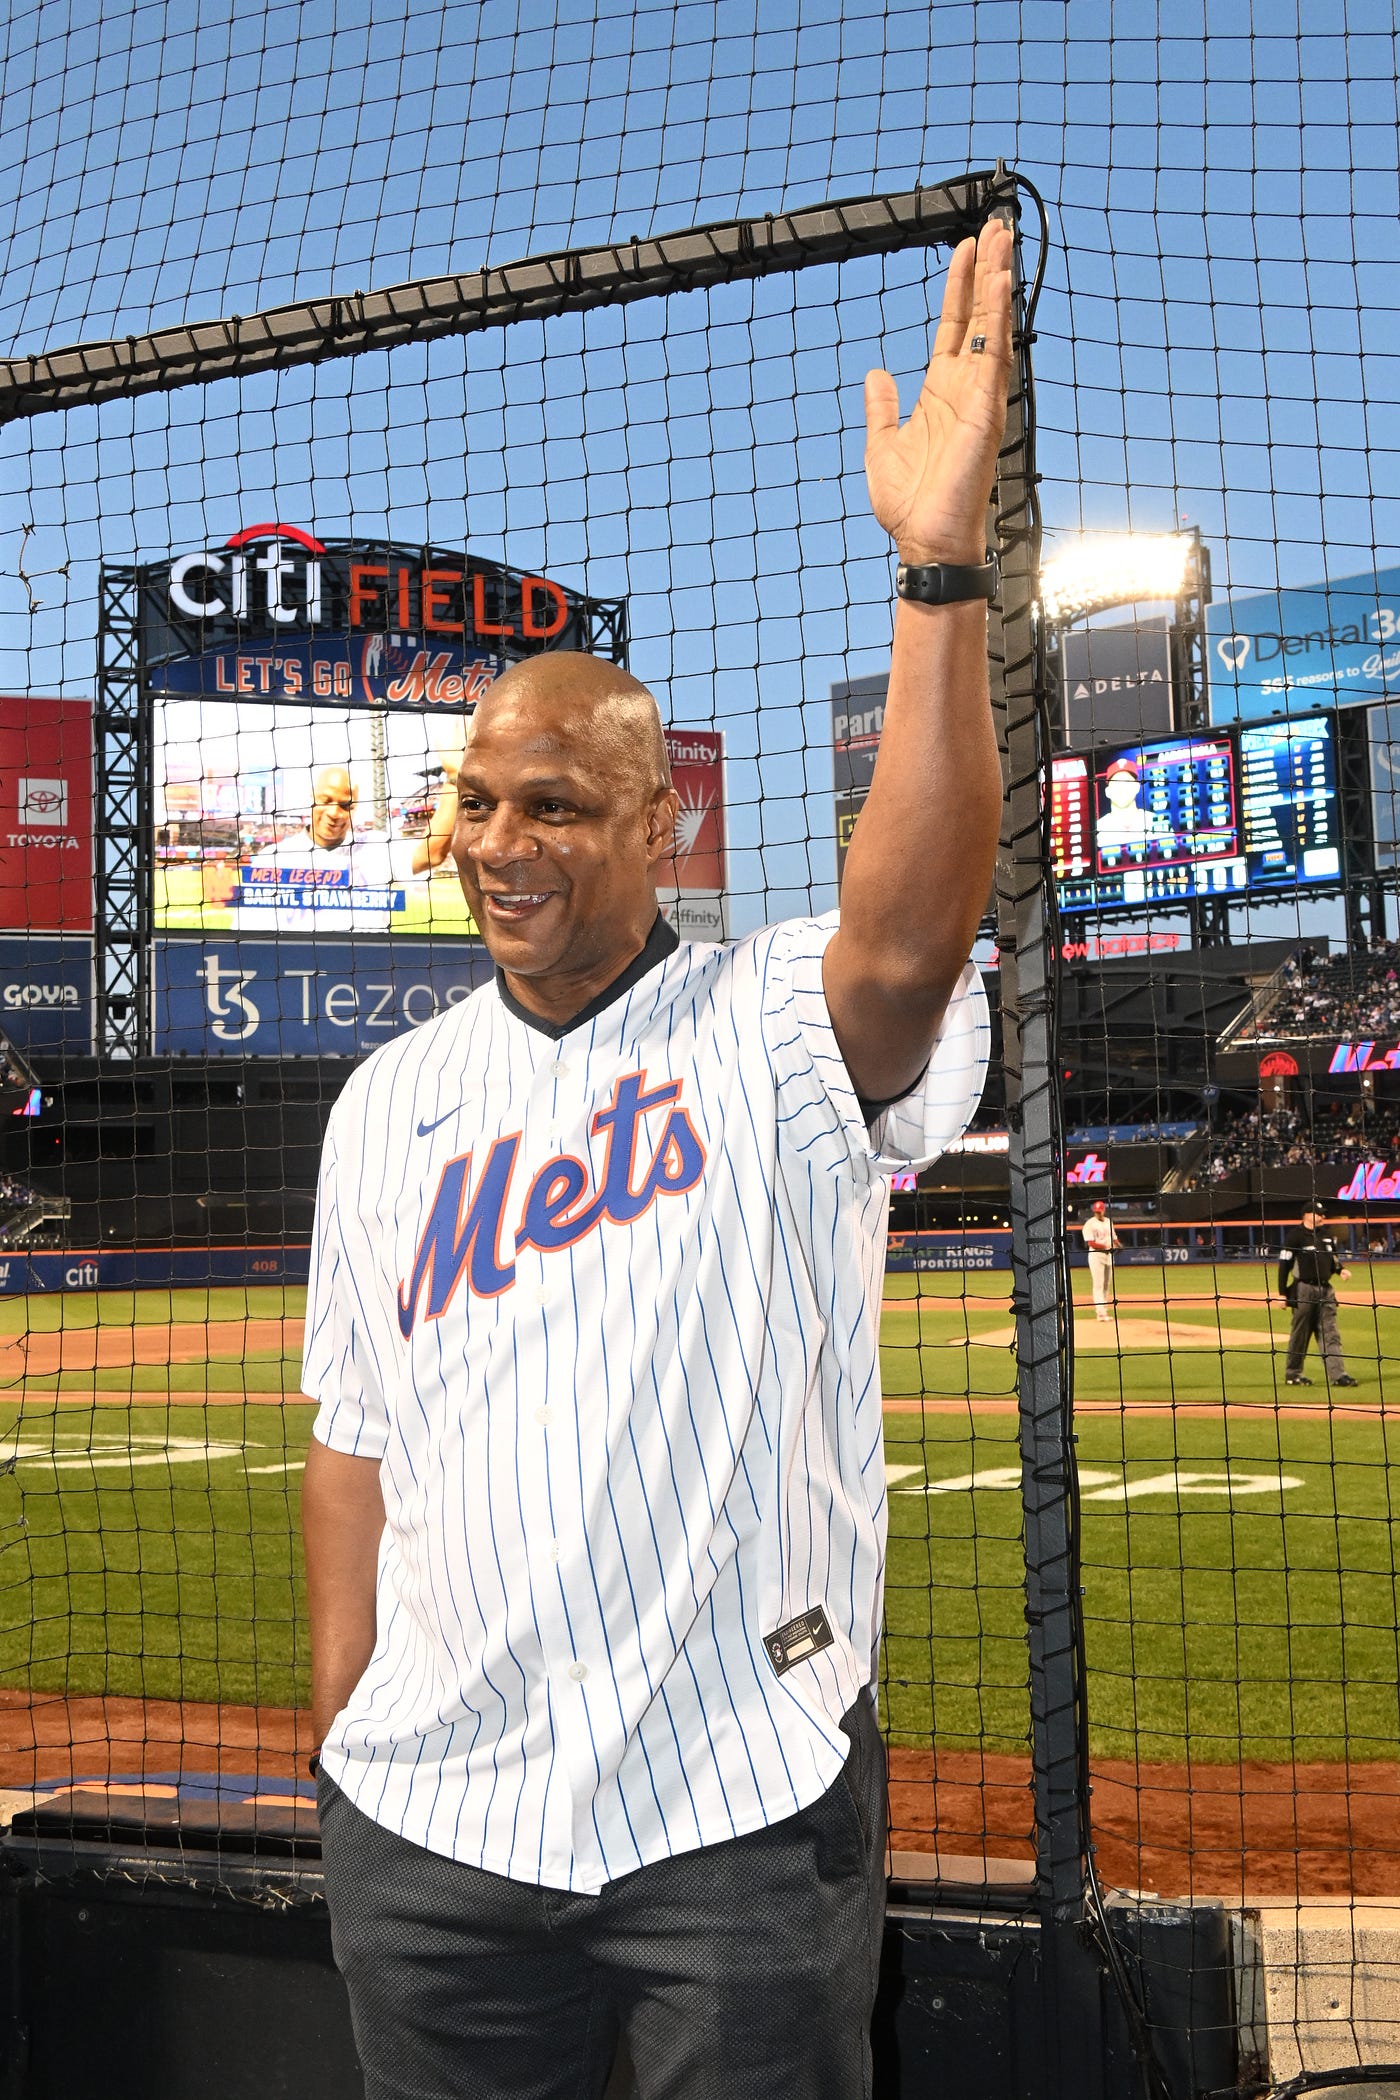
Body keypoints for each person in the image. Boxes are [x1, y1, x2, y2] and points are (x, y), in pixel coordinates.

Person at [300, 218, 1011, 2100]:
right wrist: (341, 1742)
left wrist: (938, 571)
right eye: (475, 801)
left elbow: (912, 933)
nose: (501, 840)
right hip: (430, 1836)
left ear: (658, 817)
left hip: (732, 1819)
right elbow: (350, 1446)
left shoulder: (776, 1025)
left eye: (554, 803)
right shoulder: (389, 1107)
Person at [208, 759, 461, 932]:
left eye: (344, 805)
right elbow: (246, 937)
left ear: (354, 808)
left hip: (364, 981)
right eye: (326, 800)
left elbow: (433, 852)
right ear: (311, 799)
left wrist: (453, 779)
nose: (334, 813)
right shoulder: (272, 859)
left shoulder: (376, 848)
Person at [1278, 1206, 1358, 1387]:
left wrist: (1341, 1270)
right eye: (1318, 1213)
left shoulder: (1326, 1235)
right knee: (1301, 1334)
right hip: (1303, 1290)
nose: (1323, 1216)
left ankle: (1338, 1375)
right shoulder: (1295, 1236)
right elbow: (1284, 1266)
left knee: (1330, 1333)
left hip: (1326, 1290)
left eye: (1323, 1213)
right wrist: (1282, 1294)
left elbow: (1333, 1260)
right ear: (1306, 1215)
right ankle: (1293, 1374)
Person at [1094, 756, 1175, 856]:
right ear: (1107, 792)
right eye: (1116, 783)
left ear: (1137, 787)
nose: (1122, 788)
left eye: (1127, 782)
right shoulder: (1098, 829)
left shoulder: (1157, 822)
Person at [1081, 1198, 1120, 1321]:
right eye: (1096, 1211)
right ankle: (1100, 1313)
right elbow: (1091, 1243)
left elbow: (1114, 1238)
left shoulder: (1108, 1222)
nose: (1098, 1213)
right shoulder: (1090, 1224)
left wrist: (1119, 1245)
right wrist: (1106, 1247)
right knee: (1098, 1284)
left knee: (1106, 1284)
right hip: (1096, 1255)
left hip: (1108, 1256)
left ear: (1103, 1210)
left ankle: (1103, 1310)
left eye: (1100, 1211)